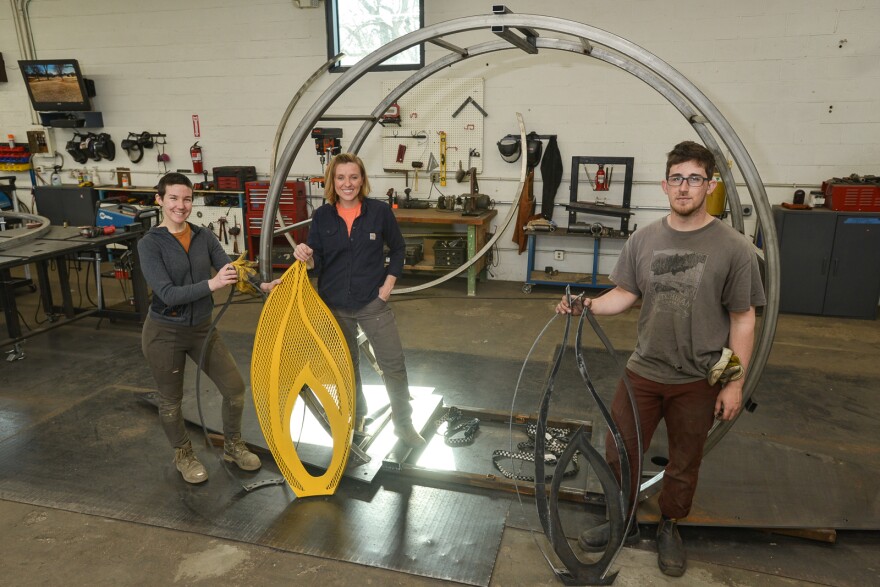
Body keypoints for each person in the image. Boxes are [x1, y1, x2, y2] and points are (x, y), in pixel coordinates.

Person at [556, 141, 765, 577]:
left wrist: (733, 382)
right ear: (664, 184)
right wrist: (585, 306)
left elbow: (743, 320)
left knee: (685, 461)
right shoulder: (644, 238)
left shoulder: (735, 248)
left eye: (694, 179)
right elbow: (625, 295)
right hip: (643, 371)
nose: (684, 187)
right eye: (677, 178)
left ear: (709, 185)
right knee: (618, 451)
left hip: (698, 377)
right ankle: (625, 521)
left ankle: (670, 525)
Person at [139, 172, 280, 484]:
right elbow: (167, 293)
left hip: (202, 328)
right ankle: (184, 455)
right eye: (173, 198)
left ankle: (233, 446)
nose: (181, 205)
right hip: (165, 332)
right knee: (171, 401)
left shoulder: (203, 236)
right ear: (159, 200)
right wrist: (212, 284)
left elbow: (231, 267)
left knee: (235, 389)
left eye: (187, 199)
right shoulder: (150, 245)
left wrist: (263, 284)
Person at [293, 153, 426, 448]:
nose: (347, 184)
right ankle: (357, 416)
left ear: (362, 180)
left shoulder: (379, 212)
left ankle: (404, 425)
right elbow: (316, 259)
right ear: (332, 182)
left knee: (393, 364)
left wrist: (389, 283)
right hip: (334, 305)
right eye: (340, 178)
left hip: (371, 302)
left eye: (353, 177)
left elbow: (400, 248)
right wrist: (305, 254)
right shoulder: (323, 216)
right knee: (347, 367)